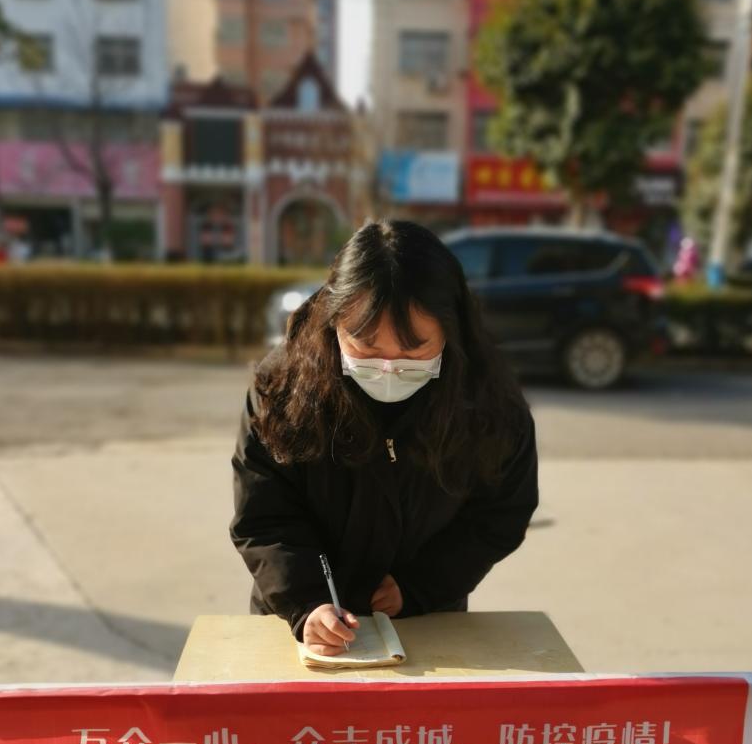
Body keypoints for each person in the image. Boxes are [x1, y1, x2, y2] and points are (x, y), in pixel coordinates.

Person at [229, 218, 539, 657]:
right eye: (367, 348)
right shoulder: (282, 388)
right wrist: (306, 601)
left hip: (429, 623)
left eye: (414, 350)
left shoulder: (489, 402)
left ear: (452, 329)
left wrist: (422, 585)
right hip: (302, 627)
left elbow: (501, 513)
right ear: (333, 321)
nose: (390, 367)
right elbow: (264, 514)